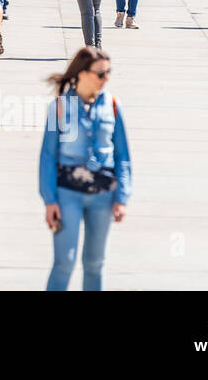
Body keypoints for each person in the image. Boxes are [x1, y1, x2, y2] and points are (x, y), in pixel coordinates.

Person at [39, 47, 132, 291]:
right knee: (64, 263)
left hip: (103, 196)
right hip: (67, 194)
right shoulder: (59, 107)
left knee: (94, 263)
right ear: (82, 73)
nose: (106, 78)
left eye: (108, 73)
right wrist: (49, 199)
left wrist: (122, 197)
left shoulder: (112, 104)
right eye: (100, 74)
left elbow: (123, 155)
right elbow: (48, 156)